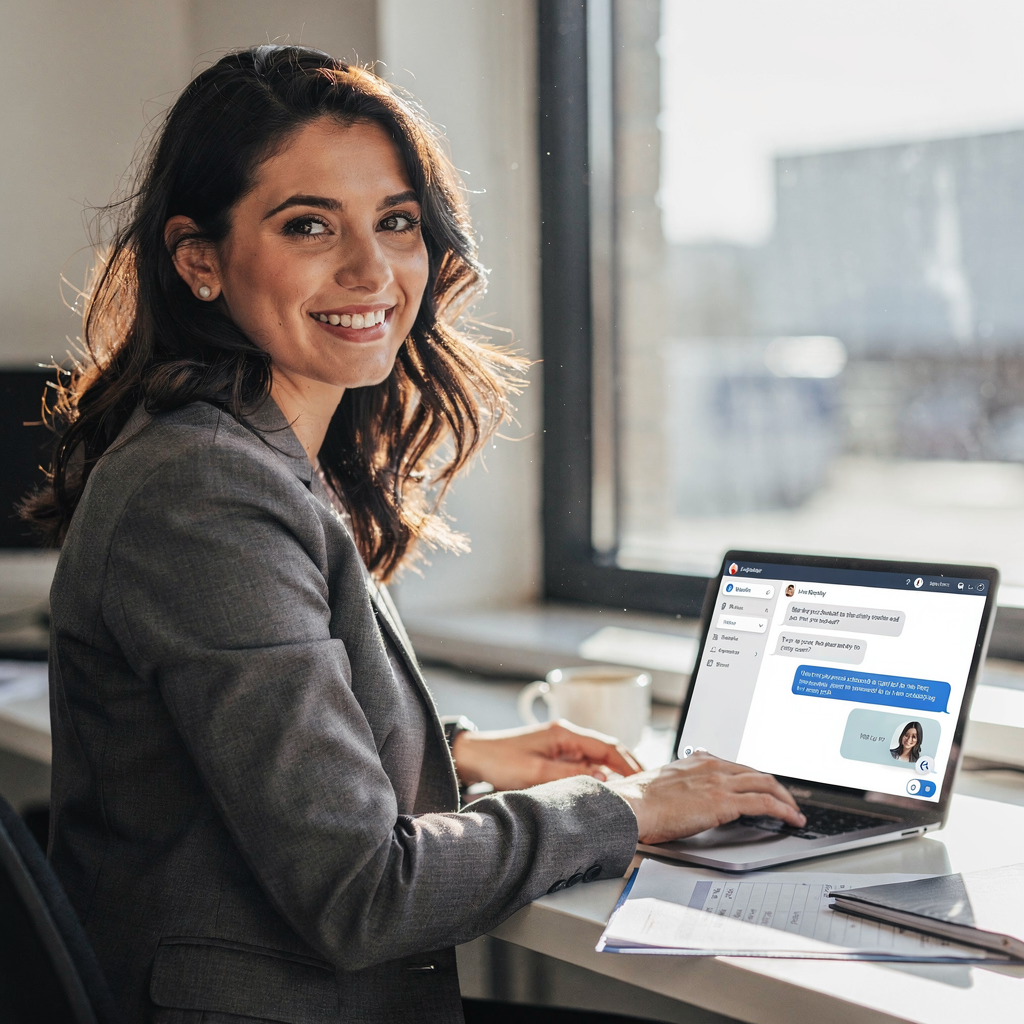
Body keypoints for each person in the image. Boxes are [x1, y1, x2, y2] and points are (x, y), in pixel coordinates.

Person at [26, 47, 804, 1024]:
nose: (371, 269)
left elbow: (245, 742)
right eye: (309, 223)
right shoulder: (206, 488)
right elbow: (363, 891)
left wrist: (460, 751)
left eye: (395, 221)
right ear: (200, 260)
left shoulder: (242, 449)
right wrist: (629, 807)